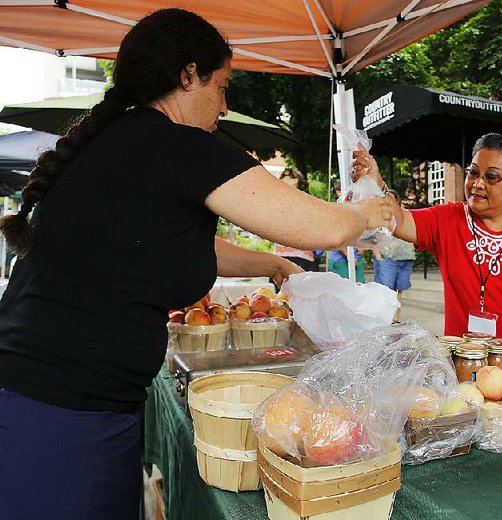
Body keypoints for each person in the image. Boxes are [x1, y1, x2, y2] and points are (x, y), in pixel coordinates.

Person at [0, 9, 394, 519]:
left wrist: (271, 264)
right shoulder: (179, 147)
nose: (225, 106)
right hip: (61, 414)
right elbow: (321, 228)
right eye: (222, 85)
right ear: (189, 74)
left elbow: (162, 244)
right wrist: (367, 209)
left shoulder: (117, 145)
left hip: (47, 400)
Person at [352, 133, 502, 369]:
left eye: (491, 177)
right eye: (473, 173)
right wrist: (376, 185)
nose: (478, 184)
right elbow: (399, 220)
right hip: (470, 364)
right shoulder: (447, 220)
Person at [373, 189, 416, 320]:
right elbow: (373, 236)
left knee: (400, 290)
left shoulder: (406, 214)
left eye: (392, 198)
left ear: (397, 200)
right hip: (387, 260)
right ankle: (385, 319)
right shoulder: (379, 215)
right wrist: (379, 257)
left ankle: (395, 318)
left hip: (405, 258)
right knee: (387, 290)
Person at [272, 167, 318, 271]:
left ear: (296, 181)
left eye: (288, 177)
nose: (284, 181)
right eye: (282, 178)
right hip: (281, 256)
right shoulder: (277, 203)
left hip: (301, 256)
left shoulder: (306, 202)